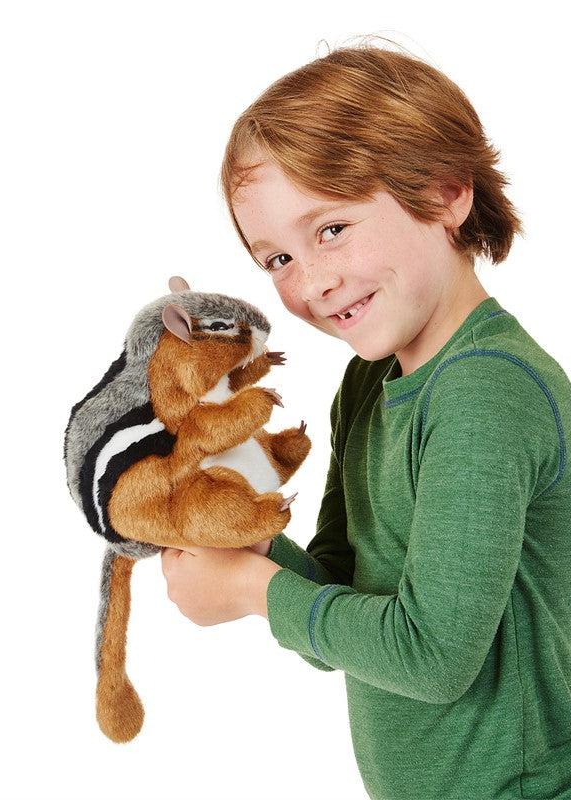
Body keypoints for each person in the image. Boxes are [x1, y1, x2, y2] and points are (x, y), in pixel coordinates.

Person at [159, 42, 571, 800]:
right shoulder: (370, 382)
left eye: (331, 230)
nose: (313, 281)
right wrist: (251, 537)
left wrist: (251, 591)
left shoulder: (486, 392)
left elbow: (432, 656)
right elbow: (347, 609)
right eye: (276, 259)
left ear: (447, 194)